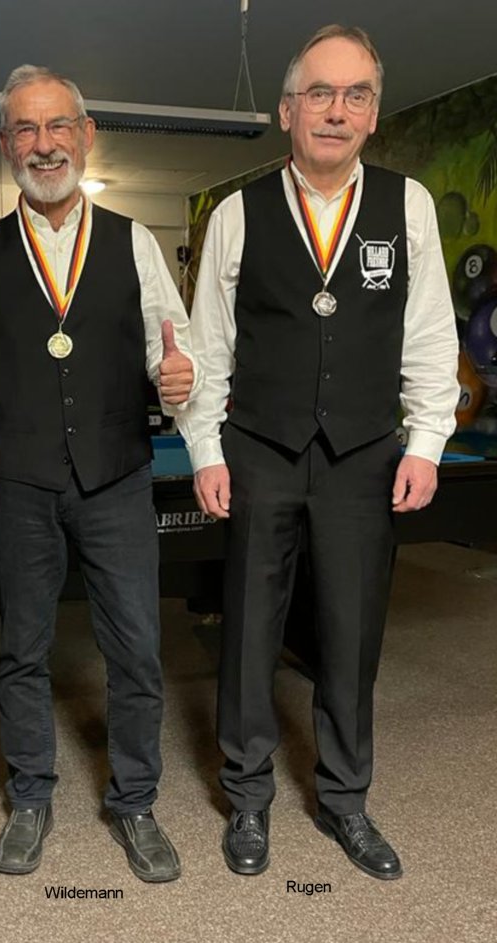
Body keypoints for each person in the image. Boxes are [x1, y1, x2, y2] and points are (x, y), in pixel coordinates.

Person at [178, 24, 459, 880]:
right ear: (287, 110)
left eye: (356, 95)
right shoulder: (238, 213)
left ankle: (344, 798)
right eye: (320, 94)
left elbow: (430, 334)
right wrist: (204, 448)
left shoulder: (408, 206)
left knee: (352, 631)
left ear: (373, 113)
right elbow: (208, 346)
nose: (337, 111)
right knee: (249, 631)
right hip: (259, 447)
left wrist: (428, 440)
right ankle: (247, 796)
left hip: (365, 452)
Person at [0, 65, 198, 883]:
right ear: (5, 144)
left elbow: (172, 345)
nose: (43, 144)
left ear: (85, 136)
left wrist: (178, 375)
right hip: (20, 481)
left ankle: (136, 802)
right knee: (22, 651)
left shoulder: (134, 240)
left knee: (137, 650)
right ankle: (30, 796)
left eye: (57, 126)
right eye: (26, 128)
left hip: (118, 477)